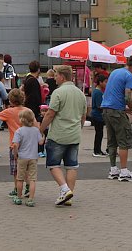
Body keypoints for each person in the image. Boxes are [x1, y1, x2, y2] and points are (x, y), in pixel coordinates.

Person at [39, 64, 86, 206]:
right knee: (72, 166)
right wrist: (80, 127)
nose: (55, 78)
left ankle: (65, 189)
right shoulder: (80, 93)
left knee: (53, 164)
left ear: (62, 76)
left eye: (56, 75)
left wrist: (41, 129)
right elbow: (84, 115)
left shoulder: (58, 93)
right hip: (74, 134)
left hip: (59, 134)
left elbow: (50, 114)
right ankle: (68, 196)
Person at [101, 57, 132, 182]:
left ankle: (113, 169)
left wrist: (123, 108)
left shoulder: (115, 72)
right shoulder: (129, 76)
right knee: (124, 140)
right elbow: (127, 97)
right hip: (117, 112)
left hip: (106, 109)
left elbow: (114, 93)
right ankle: (124, 171)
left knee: (112, 140)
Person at [11, 108, 43, 206]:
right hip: (33, 157)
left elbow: (15, 145)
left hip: (22, 157)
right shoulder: (36, 130)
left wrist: (15, 153)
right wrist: (44, 136)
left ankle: (19, 196)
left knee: (20, 178)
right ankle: (31, 199)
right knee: (32, 178)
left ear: (21, 120)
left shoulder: (19, 131)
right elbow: (40, 142)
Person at [89, 73, 107, 157]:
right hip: (97, 116)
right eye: (105, 82)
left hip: (98, 115)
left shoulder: (98, 92)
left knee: (100, 133)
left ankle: (98, 150)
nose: (106, 84)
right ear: (100, 82)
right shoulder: (98, 93)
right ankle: (96, 150)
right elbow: (99, 105)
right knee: (99, 134)